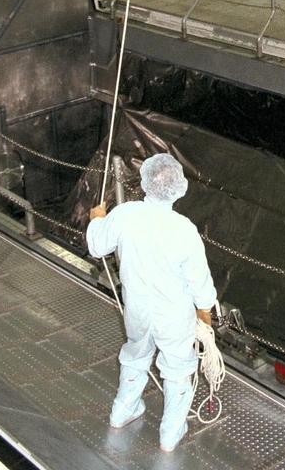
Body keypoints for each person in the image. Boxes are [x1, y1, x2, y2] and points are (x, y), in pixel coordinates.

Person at [87, 152, 216, 452]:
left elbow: (97, 246)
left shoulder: (126, 214)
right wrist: (205, 318)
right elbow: (201, 283)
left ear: (145, 182)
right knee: (177, 368)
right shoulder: (184, 229)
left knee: (135, 354)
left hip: (137, 309)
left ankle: (122, 411)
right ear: (178, 187)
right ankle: (170, 433)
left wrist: (97, 220)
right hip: (173, 316)